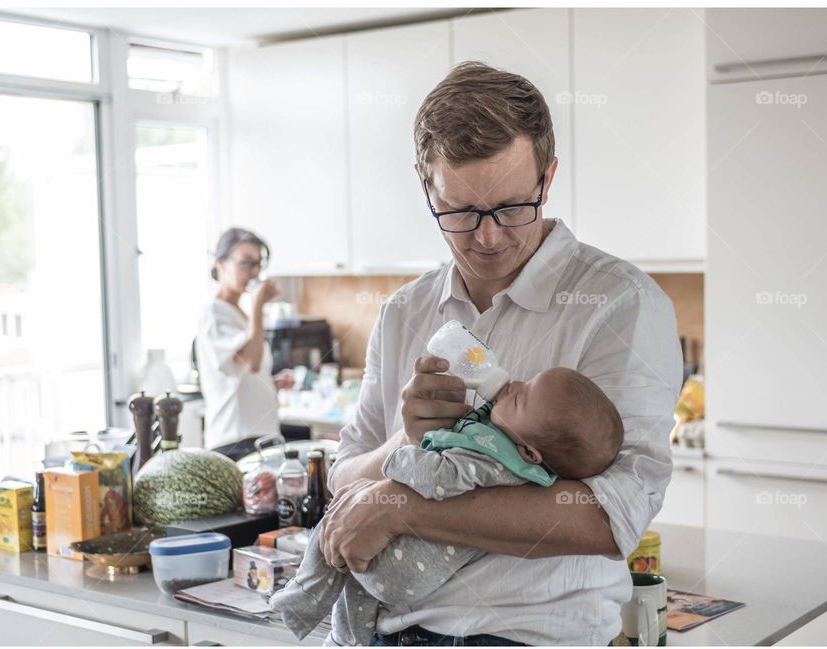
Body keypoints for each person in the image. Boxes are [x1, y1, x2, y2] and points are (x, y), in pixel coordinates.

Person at [321, 61, 682, 645]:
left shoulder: (620, 305)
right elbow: (343, 475)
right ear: (425, 185)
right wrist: (402, 443)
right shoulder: (403, 313)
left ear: (548, 178)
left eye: (514, 207)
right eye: (461, 212)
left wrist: (402, 507)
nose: (488, 238)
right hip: (378, 630)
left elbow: (608, 516)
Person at [271, 367, 624, 645]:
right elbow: (341, 470)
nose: (515, 384)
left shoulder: (491, 459)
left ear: (530, 454)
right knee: (356, 571)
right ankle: (348, 635)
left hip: (405, 572)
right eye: (527, 382)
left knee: (341, 515)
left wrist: (399, 460)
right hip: (402, 585)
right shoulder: (516, 457)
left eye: (521, 399)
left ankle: (302, 596)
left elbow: (437, 478)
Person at [196, 228, 295, 461]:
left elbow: (244, 372)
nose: (255, 272)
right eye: (246, 263)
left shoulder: (239, 313)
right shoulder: (214, 312)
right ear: (220, 264)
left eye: (259, 264)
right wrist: (258, 305)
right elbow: (251, 362)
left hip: (258, 438)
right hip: (235, 441)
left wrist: (268, 384)